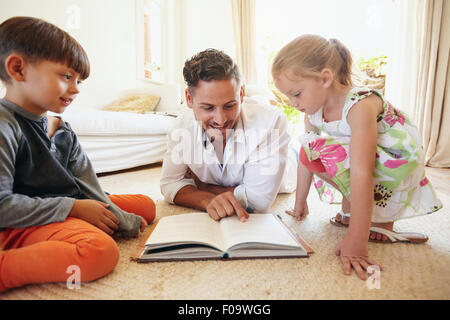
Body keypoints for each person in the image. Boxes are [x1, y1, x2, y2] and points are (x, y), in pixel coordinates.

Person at [0, 16, 155, 292]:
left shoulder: (63, 130)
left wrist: (119, 218)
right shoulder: (5, 125)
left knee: (146, 206)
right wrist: (71, 208)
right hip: (16, 223)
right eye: (66, 76)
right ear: (18, 69)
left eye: (79, 80)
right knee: (99, 251)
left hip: (60, 202)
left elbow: (88, 185)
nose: (75, 89)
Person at [271, 34, 442, 280]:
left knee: (338, 156)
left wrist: (356, 239)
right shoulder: (312, 110)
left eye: (296, 94)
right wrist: (299, 204)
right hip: (364, 155)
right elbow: (306, 155)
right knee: (310, 149)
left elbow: (363, 171)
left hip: (395, 162)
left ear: (325, 78)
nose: (293, 103)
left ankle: (382, 221)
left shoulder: (360, 104)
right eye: (288, 96)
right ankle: (358, 210)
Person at [160, 48, 297, 222]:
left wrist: (200, 186)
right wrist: (207, 200)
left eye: (229, 105)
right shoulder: (180, 128)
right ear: (189, 98)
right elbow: (169, 185)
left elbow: (258, 201)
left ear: (241, 94)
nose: (221, 120)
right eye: (208, 107)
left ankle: (261, 100)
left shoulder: (272, 123)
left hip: (290, 165)